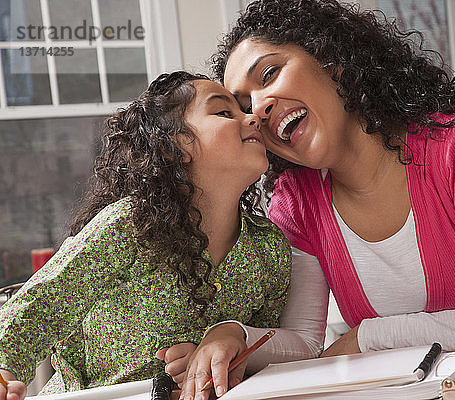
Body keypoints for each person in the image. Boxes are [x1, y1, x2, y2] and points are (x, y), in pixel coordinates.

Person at [171, 0, 455, 398]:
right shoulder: (298, 199)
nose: (258, 110)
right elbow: (307, 346)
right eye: (242, 107)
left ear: (332, 58)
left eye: (270, 73)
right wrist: (233, 338)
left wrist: (368, 337)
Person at [0, 71, 293, 400]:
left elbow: (264, 355)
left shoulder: (269, 248)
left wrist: (217, 363)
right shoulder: (130, 226)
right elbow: (36, 311)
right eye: (225, 113)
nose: (253, 117)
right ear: (175, 146)